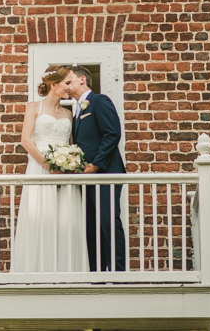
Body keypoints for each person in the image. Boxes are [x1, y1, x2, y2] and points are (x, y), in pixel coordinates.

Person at [10, 65, 87, 273]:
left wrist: (70, 162)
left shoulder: (69, 114)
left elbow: (72, 145)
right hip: (40, 168)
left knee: (66, 219)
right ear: (54, 85)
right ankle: (36, 272)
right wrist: (48, 165)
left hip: (64, 172)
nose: (71, 88)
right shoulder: (34, 107)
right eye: (67, 83)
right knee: (40, 217)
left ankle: (67, 271)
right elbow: (26, 141)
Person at [68, 65, 126, 272]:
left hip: (106, 173)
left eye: (69, 81)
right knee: (91, 226)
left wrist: (96, 164)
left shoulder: (99, 101)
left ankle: (119, 272)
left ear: (82, 79)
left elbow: (112, 133)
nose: (67, 86)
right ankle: (97, 273)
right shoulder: (76, 110)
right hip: (86, 177)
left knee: (108, 221)